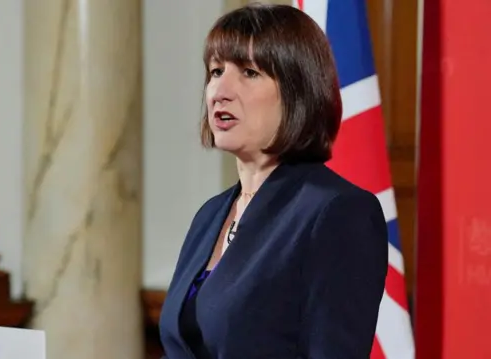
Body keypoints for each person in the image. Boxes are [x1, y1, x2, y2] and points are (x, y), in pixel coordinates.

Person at [158, 4, 389, 359]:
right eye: (216, 71)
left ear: (299, 91)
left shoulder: (338, 213)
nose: (221, 89)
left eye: (249, 72)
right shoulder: (211, 214)